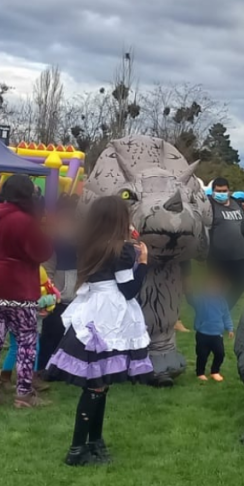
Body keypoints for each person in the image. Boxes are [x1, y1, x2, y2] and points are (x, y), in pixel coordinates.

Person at [45, 196, 154, 466]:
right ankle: (77, 450)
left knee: (99, 384)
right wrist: (143, 261)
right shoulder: (123, 250)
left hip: (91, 309)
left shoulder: (90, 243)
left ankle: (94, 441)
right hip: (110, 315)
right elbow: (129, 290)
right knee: (96, 385)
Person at [0, 174, 52, 408]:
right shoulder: (25, 221)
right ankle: (23, 394)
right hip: (17, 288)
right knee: (27, 340)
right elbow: (42, 252)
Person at [39, 196, 79, 372]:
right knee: (52, 333)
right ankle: (45, 366)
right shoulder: (52, 240)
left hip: (77, 296)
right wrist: (51, 292)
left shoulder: (82, 240)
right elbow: (47, 269)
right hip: (58, 297)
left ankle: (64, 367)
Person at [207, 177, 244, 308]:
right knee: (215, 288)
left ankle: (223, 310)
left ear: (229, 190)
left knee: (242, 283)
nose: (221, 193)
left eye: (224, 190)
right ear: (213, 191)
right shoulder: (210, 205)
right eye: (218, 191)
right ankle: (211, 318)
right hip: (218, 255)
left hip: (239, 254)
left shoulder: (236, 203)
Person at [188, 272, 234, 382]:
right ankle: (200, 373)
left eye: (216, 287)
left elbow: (226, 315)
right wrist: (188, 288)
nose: (213, 289)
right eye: (210, 286)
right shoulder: (201, 300)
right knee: (202, 355)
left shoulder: (222, 302)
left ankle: (215, 371)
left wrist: (230, 328)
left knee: (220, 354)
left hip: (217, 334)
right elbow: (191, 300)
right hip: (203, 334)